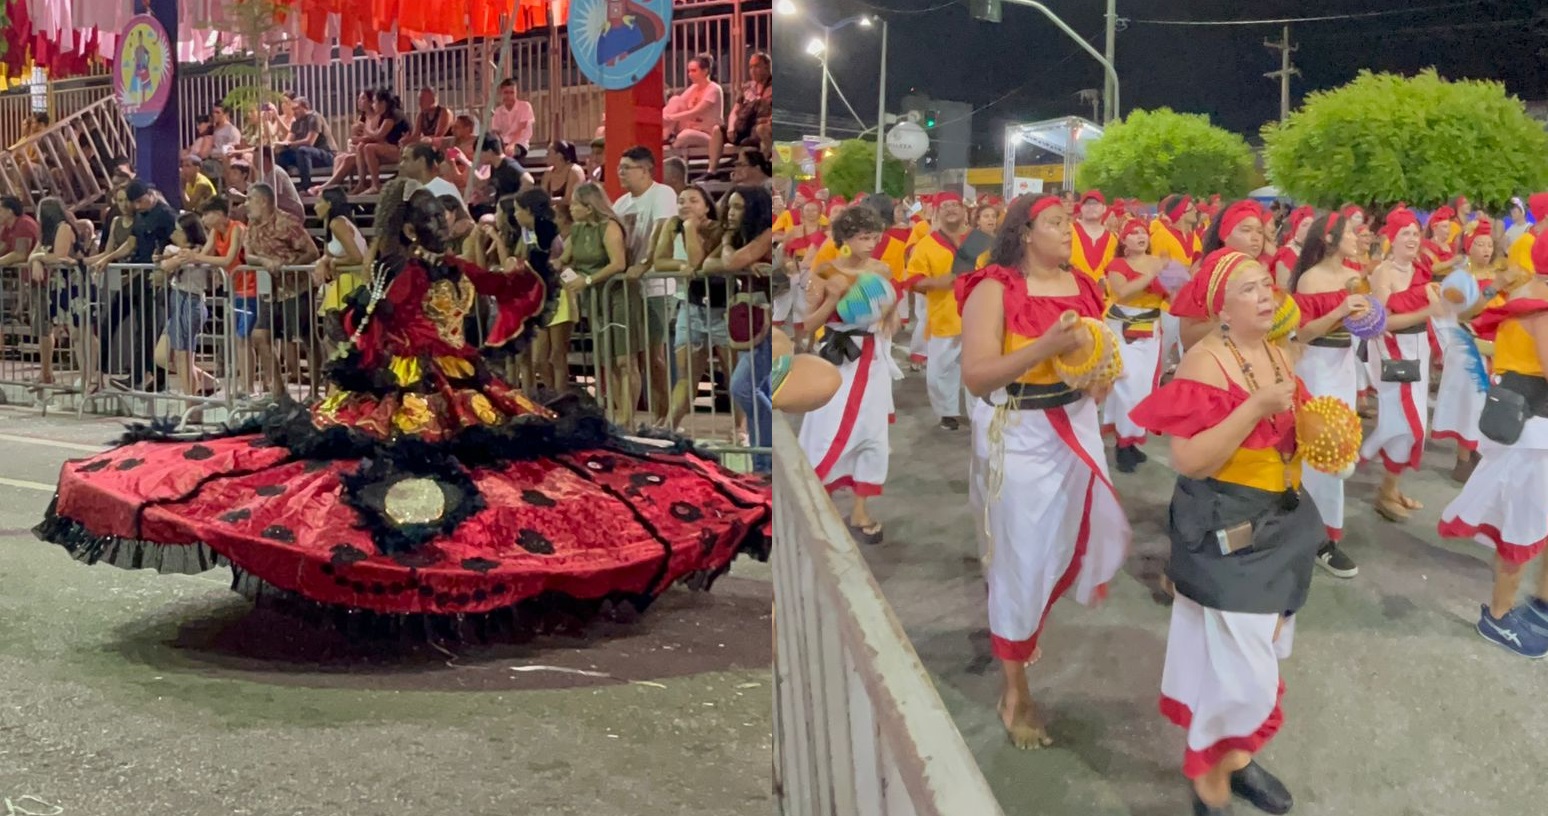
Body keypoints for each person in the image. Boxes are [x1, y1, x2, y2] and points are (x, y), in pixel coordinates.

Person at [36, 177, 772, 626]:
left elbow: (372, 332)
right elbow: (519, 293)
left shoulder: (407, 275)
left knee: (379, 469)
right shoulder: (448, 268)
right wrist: (532, 268)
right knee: (505, 470)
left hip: (418, 386)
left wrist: (351, 360)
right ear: (436, 229)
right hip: (464, 380)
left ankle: (423, 572)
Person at [1130, 249, 1320, 816]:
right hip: (1227, 527)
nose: (1265, 295)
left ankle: (1232, 758)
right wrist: (1256, 406)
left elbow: (1289, 431)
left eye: (1266, 283)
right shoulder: (1205, 362)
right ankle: (1208, 771)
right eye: (1247, 289)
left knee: (1247, 653)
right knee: (1244, 674)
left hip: (1280, 522)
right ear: (1220, 307)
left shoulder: (1276, 351)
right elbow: (1190, 460)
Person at [958, 194, 1129, 751]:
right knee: (1021, 558)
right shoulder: (993, 288)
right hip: (1019, 434)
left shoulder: (1083, 285)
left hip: (1074, 424)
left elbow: (1097, 356)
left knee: (1061, 544)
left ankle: (1025, 625)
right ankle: (1016, 692)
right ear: (1026, 233)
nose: (1068, 232)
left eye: (1070, 223)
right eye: (1056, 223)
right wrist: (1045, 346)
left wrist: (1099, 378)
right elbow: (979, 378)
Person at [1437, 239, 1548, 658]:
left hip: (1526, 428)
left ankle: (1523, 607)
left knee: (1529, 519)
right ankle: (1499, 618)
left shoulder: (1524, 294)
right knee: (1521, 523)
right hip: (1532, 433)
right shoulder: (1541, 307)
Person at [799, 205, 896, 540]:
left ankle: (859, 511)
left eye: (874, 236)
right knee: (827, 430)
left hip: (875, 360)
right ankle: (817, 506)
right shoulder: (826, 270)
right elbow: (808, 324)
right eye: (862, 237)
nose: (870, 243)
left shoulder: (882, 269)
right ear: (845, 238)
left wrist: (887, 317)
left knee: (873, 435)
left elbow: (891, 319)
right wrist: (833, 299)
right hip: (837, 357)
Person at [1288, 212, 1371, 579]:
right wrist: (1340, 309)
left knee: (1339, 449)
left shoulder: (1354, 274)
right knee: (1319, 449)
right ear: (1330, 238)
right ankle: (1313, 536)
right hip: (1318, 368)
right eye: (1350, 232)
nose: (1357, 236)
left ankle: (1321, 533)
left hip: (1344, 365)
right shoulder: (1310, 279)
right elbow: (1302, 334)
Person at [1363, 207, 1443, 522]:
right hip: (1392, 352)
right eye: (1405, 233)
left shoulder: (1421, 269)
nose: (1412, 238)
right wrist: (1427, 313)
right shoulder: (1383, 272)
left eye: (1415, 232)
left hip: (1418, 349)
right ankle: (1364, 460)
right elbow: (1380, 323)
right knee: (1408, 424)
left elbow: (1437, 312)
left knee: (1411, 425)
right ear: (1392, 239)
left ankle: (1390, 489)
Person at [705, 186, 775, 469]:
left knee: (743, 388)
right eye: (730, 207)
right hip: (750, 319)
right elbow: (707, 265)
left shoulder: (767, 234)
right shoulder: (737, 238)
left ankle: (767, 461)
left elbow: (730, 262)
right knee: (760, 389)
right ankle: (763, 462)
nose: (730, 213)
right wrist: (733, 256)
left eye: (738, 208)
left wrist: (728, 251)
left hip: (770, 320)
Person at [613, 145, 680, 424]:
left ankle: (665, 414)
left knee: (654, 356)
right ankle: (629, 417)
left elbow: (661, 230)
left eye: (626, 168)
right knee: (630, 358)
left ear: (645, 170)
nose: (620, 173)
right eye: (620, 168)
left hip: (656, 286)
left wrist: (645, 263)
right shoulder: (620, 204)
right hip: (629, 289)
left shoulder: (663, 194)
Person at [904, 191, 980, 431]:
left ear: (964, 210)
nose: (950, 209)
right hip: (944, 316)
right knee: (939, 373)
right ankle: (947, 413)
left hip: (979, 317)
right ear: (936, 212)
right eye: (945, 206)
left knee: (978, 369)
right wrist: (939, 282)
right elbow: (913, 280)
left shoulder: (979, 240)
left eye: (955, 205)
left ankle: (978, 415)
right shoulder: (926, 244)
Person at [560, 183, 635, 423]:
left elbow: (618, 263)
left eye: (575, 204)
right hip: (594, 300)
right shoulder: (577, 230)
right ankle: (617, 414)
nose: (570, 208)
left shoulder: (610, 227)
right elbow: (563, 260)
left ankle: (628, 417)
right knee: (606, 359)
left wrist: (587, 280)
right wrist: (567, 278)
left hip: (617, 295)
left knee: (624, 359)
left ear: (590, 207)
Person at [1430, 219, 1498, 481]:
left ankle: (1477, 451)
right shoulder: (1460, 278)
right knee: (1468, 403)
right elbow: (1463, 312)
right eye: (1480, 244)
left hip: (1492, 347)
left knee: (1486, 403)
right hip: (1467, 346)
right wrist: (1495, 288)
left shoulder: (1497, 273)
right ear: (1469, 247)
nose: (1486, 249)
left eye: (1489, 244)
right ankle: (1463, 459)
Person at [657, 185, 728, 430]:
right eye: (681, 200)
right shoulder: (671, 225)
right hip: (692, 304)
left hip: (724, 307)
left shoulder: (720, 230)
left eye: (693, 200)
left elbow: (697, 262)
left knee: (734, 375)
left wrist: (689, 229)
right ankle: (669, 427)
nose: (685, 205)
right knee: (686, 376)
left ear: (707, 206)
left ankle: (742, 430)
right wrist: (679, 265)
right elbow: (659, 260)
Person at [243, 182, 321, 400]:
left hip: (297, 289)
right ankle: (278, 391)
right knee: (259, 335)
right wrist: (264, 261)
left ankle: (315, 391)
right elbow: (248, 255)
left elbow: (312, 251)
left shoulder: (287, 223)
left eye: (250, 199)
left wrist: (288, 267)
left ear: (263, 201)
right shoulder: (252, 225)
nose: (246, 204)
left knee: (307, 337)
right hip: (271, 292)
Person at [1103, 219, 1168, 472]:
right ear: (1123, 241)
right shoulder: (1118, 265)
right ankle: (1122, 443)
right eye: (1134, 233)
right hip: (1122, 331)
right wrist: (1153, 273)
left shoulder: (1159, 263)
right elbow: (1123, 292)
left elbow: (1175, 293)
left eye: (1143, 232)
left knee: (1142, 388)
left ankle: (1130, 441)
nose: (1141, 236)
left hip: (1151, 331)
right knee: (1126, 386)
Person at [1170, 200, 1267, 352]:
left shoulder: (1262, 271)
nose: (1255, 237)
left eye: (1260, 232)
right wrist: (1231, 322)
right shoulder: (1205, 272)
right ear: (1225, 235)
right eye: (1246, 230)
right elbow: (1188, 338)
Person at [153, 212, 217, 404]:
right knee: (163, 356)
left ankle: (192, 404)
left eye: (179, 231)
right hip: (177, 301)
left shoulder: (198, 253)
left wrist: (172, 259)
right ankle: (208, 384)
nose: (175, 233)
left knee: (184, 358)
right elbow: (166, 263)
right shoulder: (178, 250)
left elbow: (167, 266)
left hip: (191, 303)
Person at [708, 51, 771, 173]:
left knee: (761, 130)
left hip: (759, 127)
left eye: (757, 66)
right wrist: (731, 127)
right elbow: (735, 110)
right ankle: (711, 171)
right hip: (743, 126)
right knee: (718, 130)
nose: (753, 70)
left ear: (767, 67)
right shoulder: (747, 87)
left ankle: (765, 165)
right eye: (751, 67)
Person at [663, 53, 724, 153]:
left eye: (693, 71)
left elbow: (696, 112)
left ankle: (667, 142)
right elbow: (677, 104)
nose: (690, 74)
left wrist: (670, 117)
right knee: (675, 100)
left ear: (705, 71)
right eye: (689, 71)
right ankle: (663, 136)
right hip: (689, 127)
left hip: (708, 134)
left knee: (685, 135)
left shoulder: (714, 89)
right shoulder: (694, 87)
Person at [354, 89, 410, 195]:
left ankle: (376, 185)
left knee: (369, 148)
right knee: (362, 146)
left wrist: (365, 129)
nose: (373, 105)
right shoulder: (384, 116)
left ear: (383, 103)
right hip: (391, 148)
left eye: (375, 102)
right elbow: (378, 139)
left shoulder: (393, 115)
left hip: (402, 150)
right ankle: (361, 183)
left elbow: (378, 135)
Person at [273, 96, 334, 192]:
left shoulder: (314, 117)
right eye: (292, 109)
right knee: (282, 156)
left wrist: (289, 144)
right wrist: (278, 145)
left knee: (303, 150)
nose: (294, 112)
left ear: (305, 107)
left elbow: (309, 142)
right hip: (306, 156)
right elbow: (288, 140)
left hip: (326, 155)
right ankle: (282, 188)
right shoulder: (296, 122)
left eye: (296, 108)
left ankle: (306, 187)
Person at [1068, 189, 1115, 285]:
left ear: (1104, 209)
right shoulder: (1067, 231)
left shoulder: (1113, 239)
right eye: (1087, 204)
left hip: (1102, 297)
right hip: (1072, 293)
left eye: (1096, 203)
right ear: (1081, 208)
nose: (1091, 207)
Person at [398, 143, 462, 204]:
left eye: (406, 159)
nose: (401, 164)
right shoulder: (416, 189)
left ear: (421, 161)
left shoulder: (441, 190)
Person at [491, 78, 536, 158]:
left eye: (512, 93)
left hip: (520, 143)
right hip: (503, 143)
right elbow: (496, 132)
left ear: (516, 93)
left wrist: (512, 144)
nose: (509, 96)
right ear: (501, 93)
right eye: (506, 93)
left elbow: (521, 130)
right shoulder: (498, 111)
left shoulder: (525, 106)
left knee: (510, 152)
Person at [543, 140, 586, 207]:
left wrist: (549, 201)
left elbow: (569, 200)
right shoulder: (548, 172)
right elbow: (543, 196)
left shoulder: (574, 171)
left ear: (559, 155)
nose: (546, 155)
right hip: (553, 214)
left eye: (549, 153)